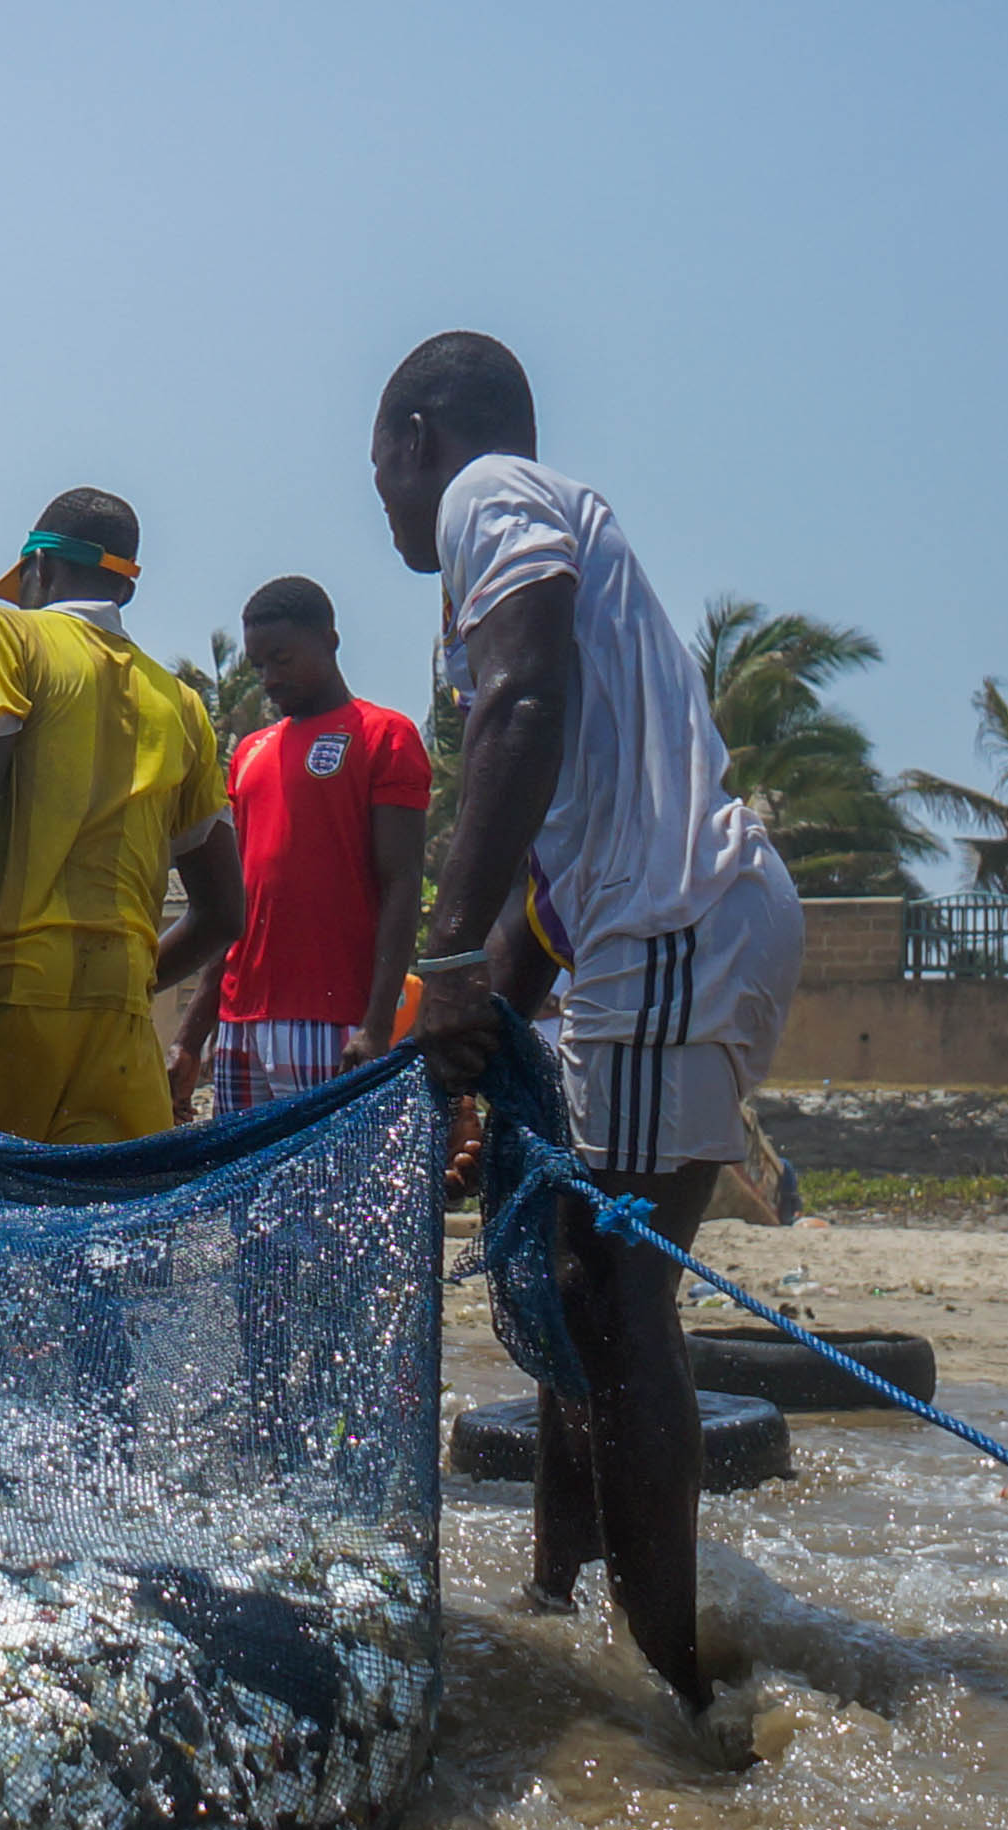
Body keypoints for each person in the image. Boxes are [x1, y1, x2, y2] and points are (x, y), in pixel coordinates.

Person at [374, 330, 804, 1716]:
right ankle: (562, 1601)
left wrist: (439, 961)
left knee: (615, 1301)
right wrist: (458, 1045)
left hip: (672, 928)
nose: (381, 492)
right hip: (645, 928)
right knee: (573, 1280)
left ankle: (677, 1696)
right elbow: (540, 906)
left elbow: (523, 700)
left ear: (419, 434)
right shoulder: (548, 526)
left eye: (378, 462)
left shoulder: (485, 493)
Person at [0, 489, 243, 1143]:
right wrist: (132, 983)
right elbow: (224, 912)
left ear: (38, 569)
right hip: (117, 1020)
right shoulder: (182, 704)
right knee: (104, 1232)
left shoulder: (6, 633)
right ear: (124, 589)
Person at [168, 576, 431, 1118]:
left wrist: (377, 1024)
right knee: (247, 1195)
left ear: (330, 642)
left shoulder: (386, 735)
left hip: (333, 1019)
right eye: (258, 664)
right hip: (242, 1026)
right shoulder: (249, 753)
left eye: (282, 659)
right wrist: (192, 1037)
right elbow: (235, 905)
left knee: (330, 1196)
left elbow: (402, 883)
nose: (268, 678)